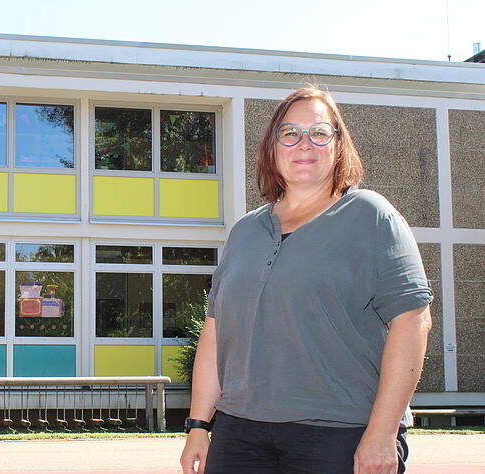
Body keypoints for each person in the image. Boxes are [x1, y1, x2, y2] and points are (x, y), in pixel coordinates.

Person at [180, 86, 433, 474]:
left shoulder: (371, 216)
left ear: (338, 144)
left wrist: (382, 433)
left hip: (338, 435)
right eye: (290, 133)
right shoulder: (245, 231)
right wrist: (199, 425)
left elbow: (413, 321)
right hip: (238, 435)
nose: (304, 144)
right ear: (272, 148)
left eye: (319, 132)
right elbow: (215, 331)